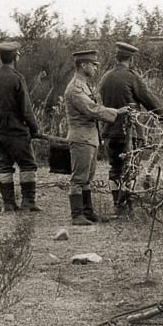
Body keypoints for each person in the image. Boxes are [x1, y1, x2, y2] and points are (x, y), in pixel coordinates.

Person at [98, 41, 163, 215]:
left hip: (109, 131)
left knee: (115, 168)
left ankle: (117, 203)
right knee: (131, 168)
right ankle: (126, 205)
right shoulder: (131, 77)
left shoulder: (105, 77)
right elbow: (148, 99)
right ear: (130, 59)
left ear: (117, 57)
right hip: (130, 132)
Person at [64, 49, 129, 225]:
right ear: (83, 65)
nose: (95, 68)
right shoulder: (75, 89)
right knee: (79, 178)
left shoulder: (83, 86)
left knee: (87, 177)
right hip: (81, 138)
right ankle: (77, 215)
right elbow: (91, 109)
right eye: (93, 64)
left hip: (89, 137)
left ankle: (87, 212)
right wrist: (117, 112)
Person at [0, 41, 44, 212]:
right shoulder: (17, 78)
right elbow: (26, 109)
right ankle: (28, 202)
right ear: (15, 57)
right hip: (16, 131)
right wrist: (34, 129)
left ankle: (8, 204)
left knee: (4, 166)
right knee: (28, 164)